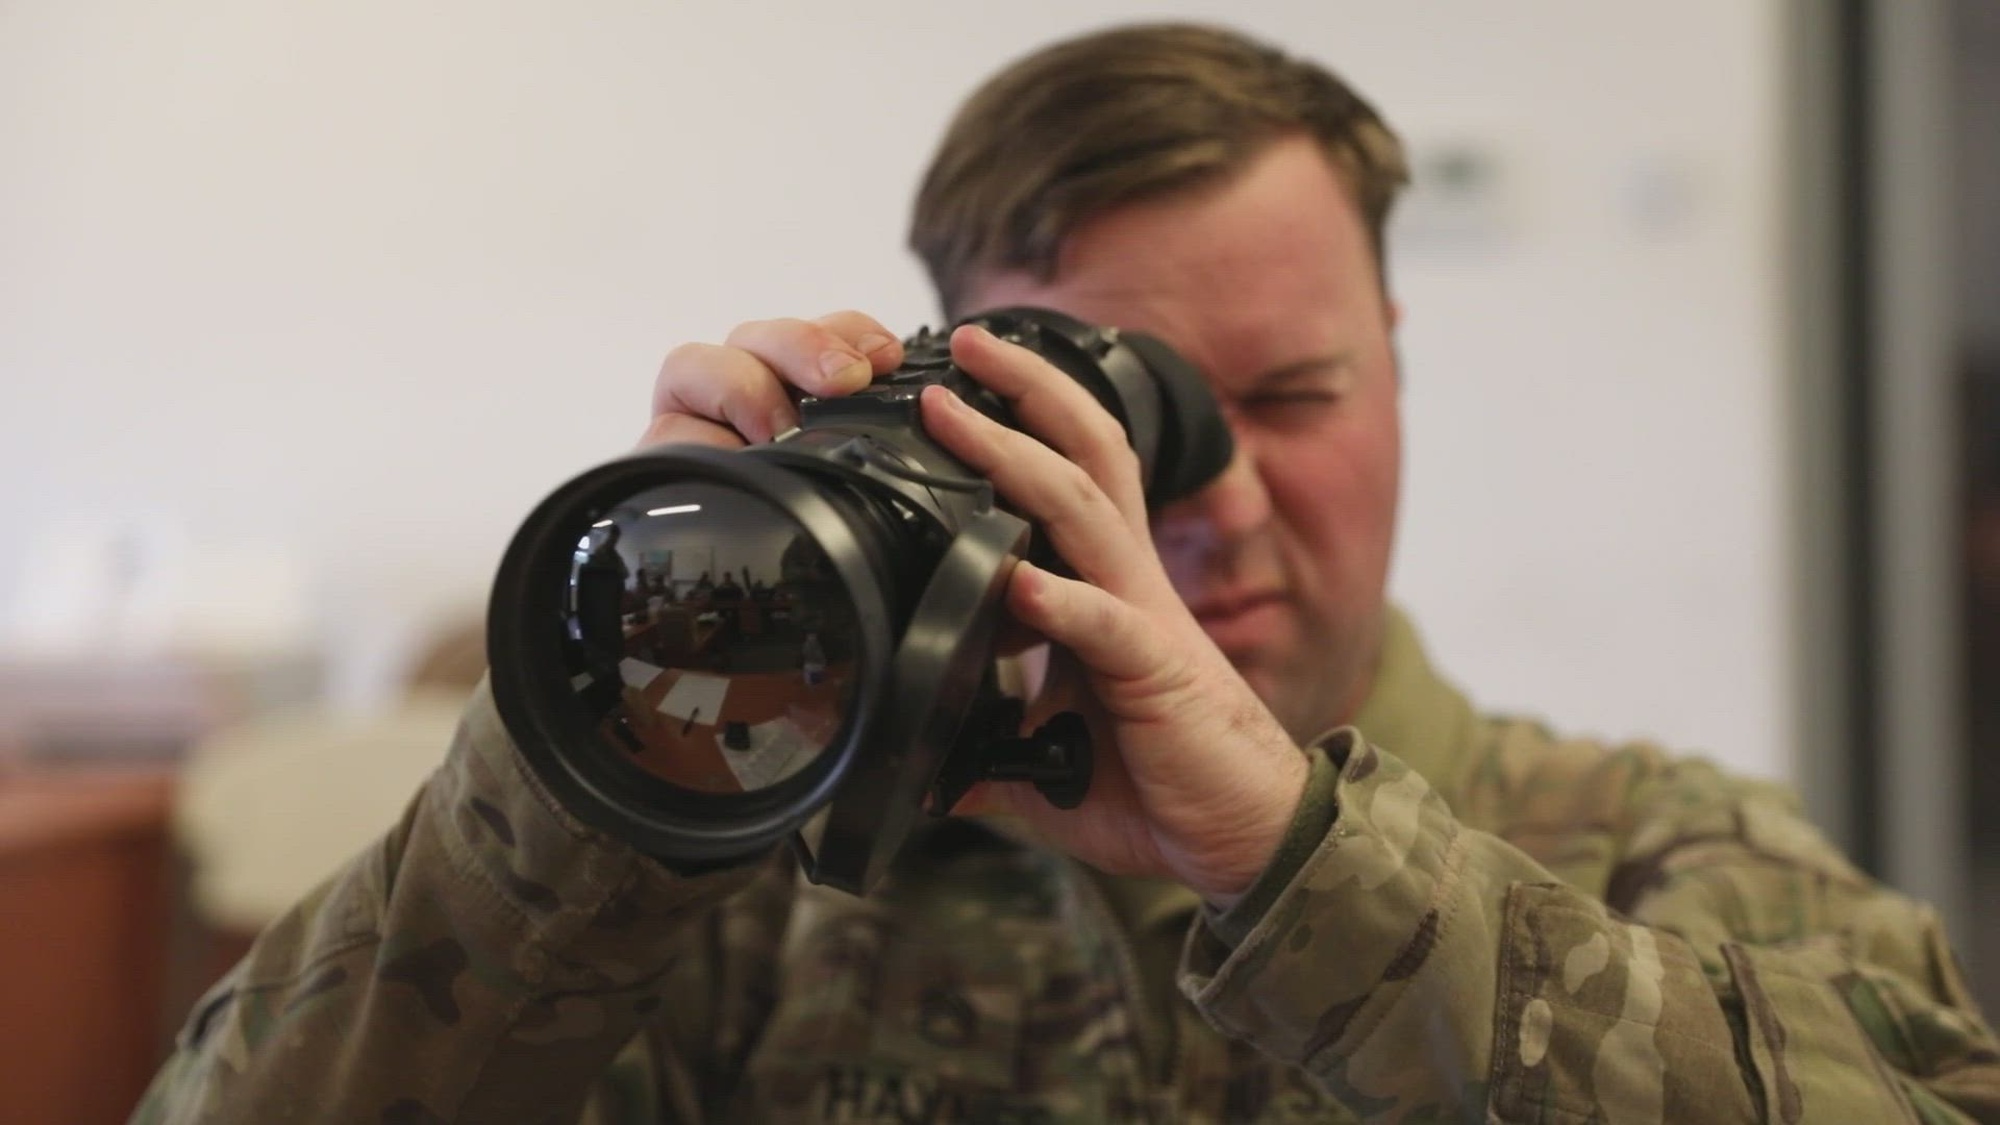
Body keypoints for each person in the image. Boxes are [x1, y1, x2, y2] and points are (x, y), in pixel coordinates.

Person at [134, 23, 1998, 1124]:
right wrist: (610, 762)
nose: (1216, 498)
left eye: (1299, 393)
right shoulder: (752, 924)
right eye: (1107, 416)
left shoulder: (1647, 849)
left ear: (1403, 367)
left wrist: (1302, 866)